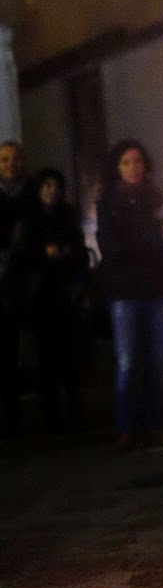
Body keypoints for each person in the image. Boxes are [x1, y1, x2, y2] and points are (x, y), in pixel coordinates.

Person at [96, 139, 163, 449]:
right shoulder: (109, 202)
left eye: (137, 161)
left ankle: (154, 424)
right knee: (128, 361)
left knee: (157, 360)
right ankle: (126, 427)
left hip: (156, 289)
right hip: (125, 292)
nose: (134, 168)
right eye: (126, 162)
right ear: (117, 168)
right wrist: (149, 241)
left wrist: (144, 243)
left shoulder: (156, 199)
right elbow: (111, 248)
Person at [15, 168, 89, 432]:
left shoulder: (67, 216)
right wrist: (43, 254)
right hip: (42, 296)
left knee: (70, 356)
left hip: (66, 295)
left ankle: (74, 411)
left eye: (56, 186)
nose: (52, 191)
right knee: (47, 356)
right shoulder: (30, 219)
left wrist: (66, 253)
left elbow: (81, 253)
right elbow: (21, 256)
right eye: (46, 185)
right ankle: (51, 415)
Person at [0, 140, 33, 437]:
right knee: (7, 350)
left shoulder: (34, 192)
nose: (11, 164)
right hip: (3, 280)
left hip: (30, 279)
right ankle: (12, 416)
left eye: (15, 158)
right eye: (4, 159)